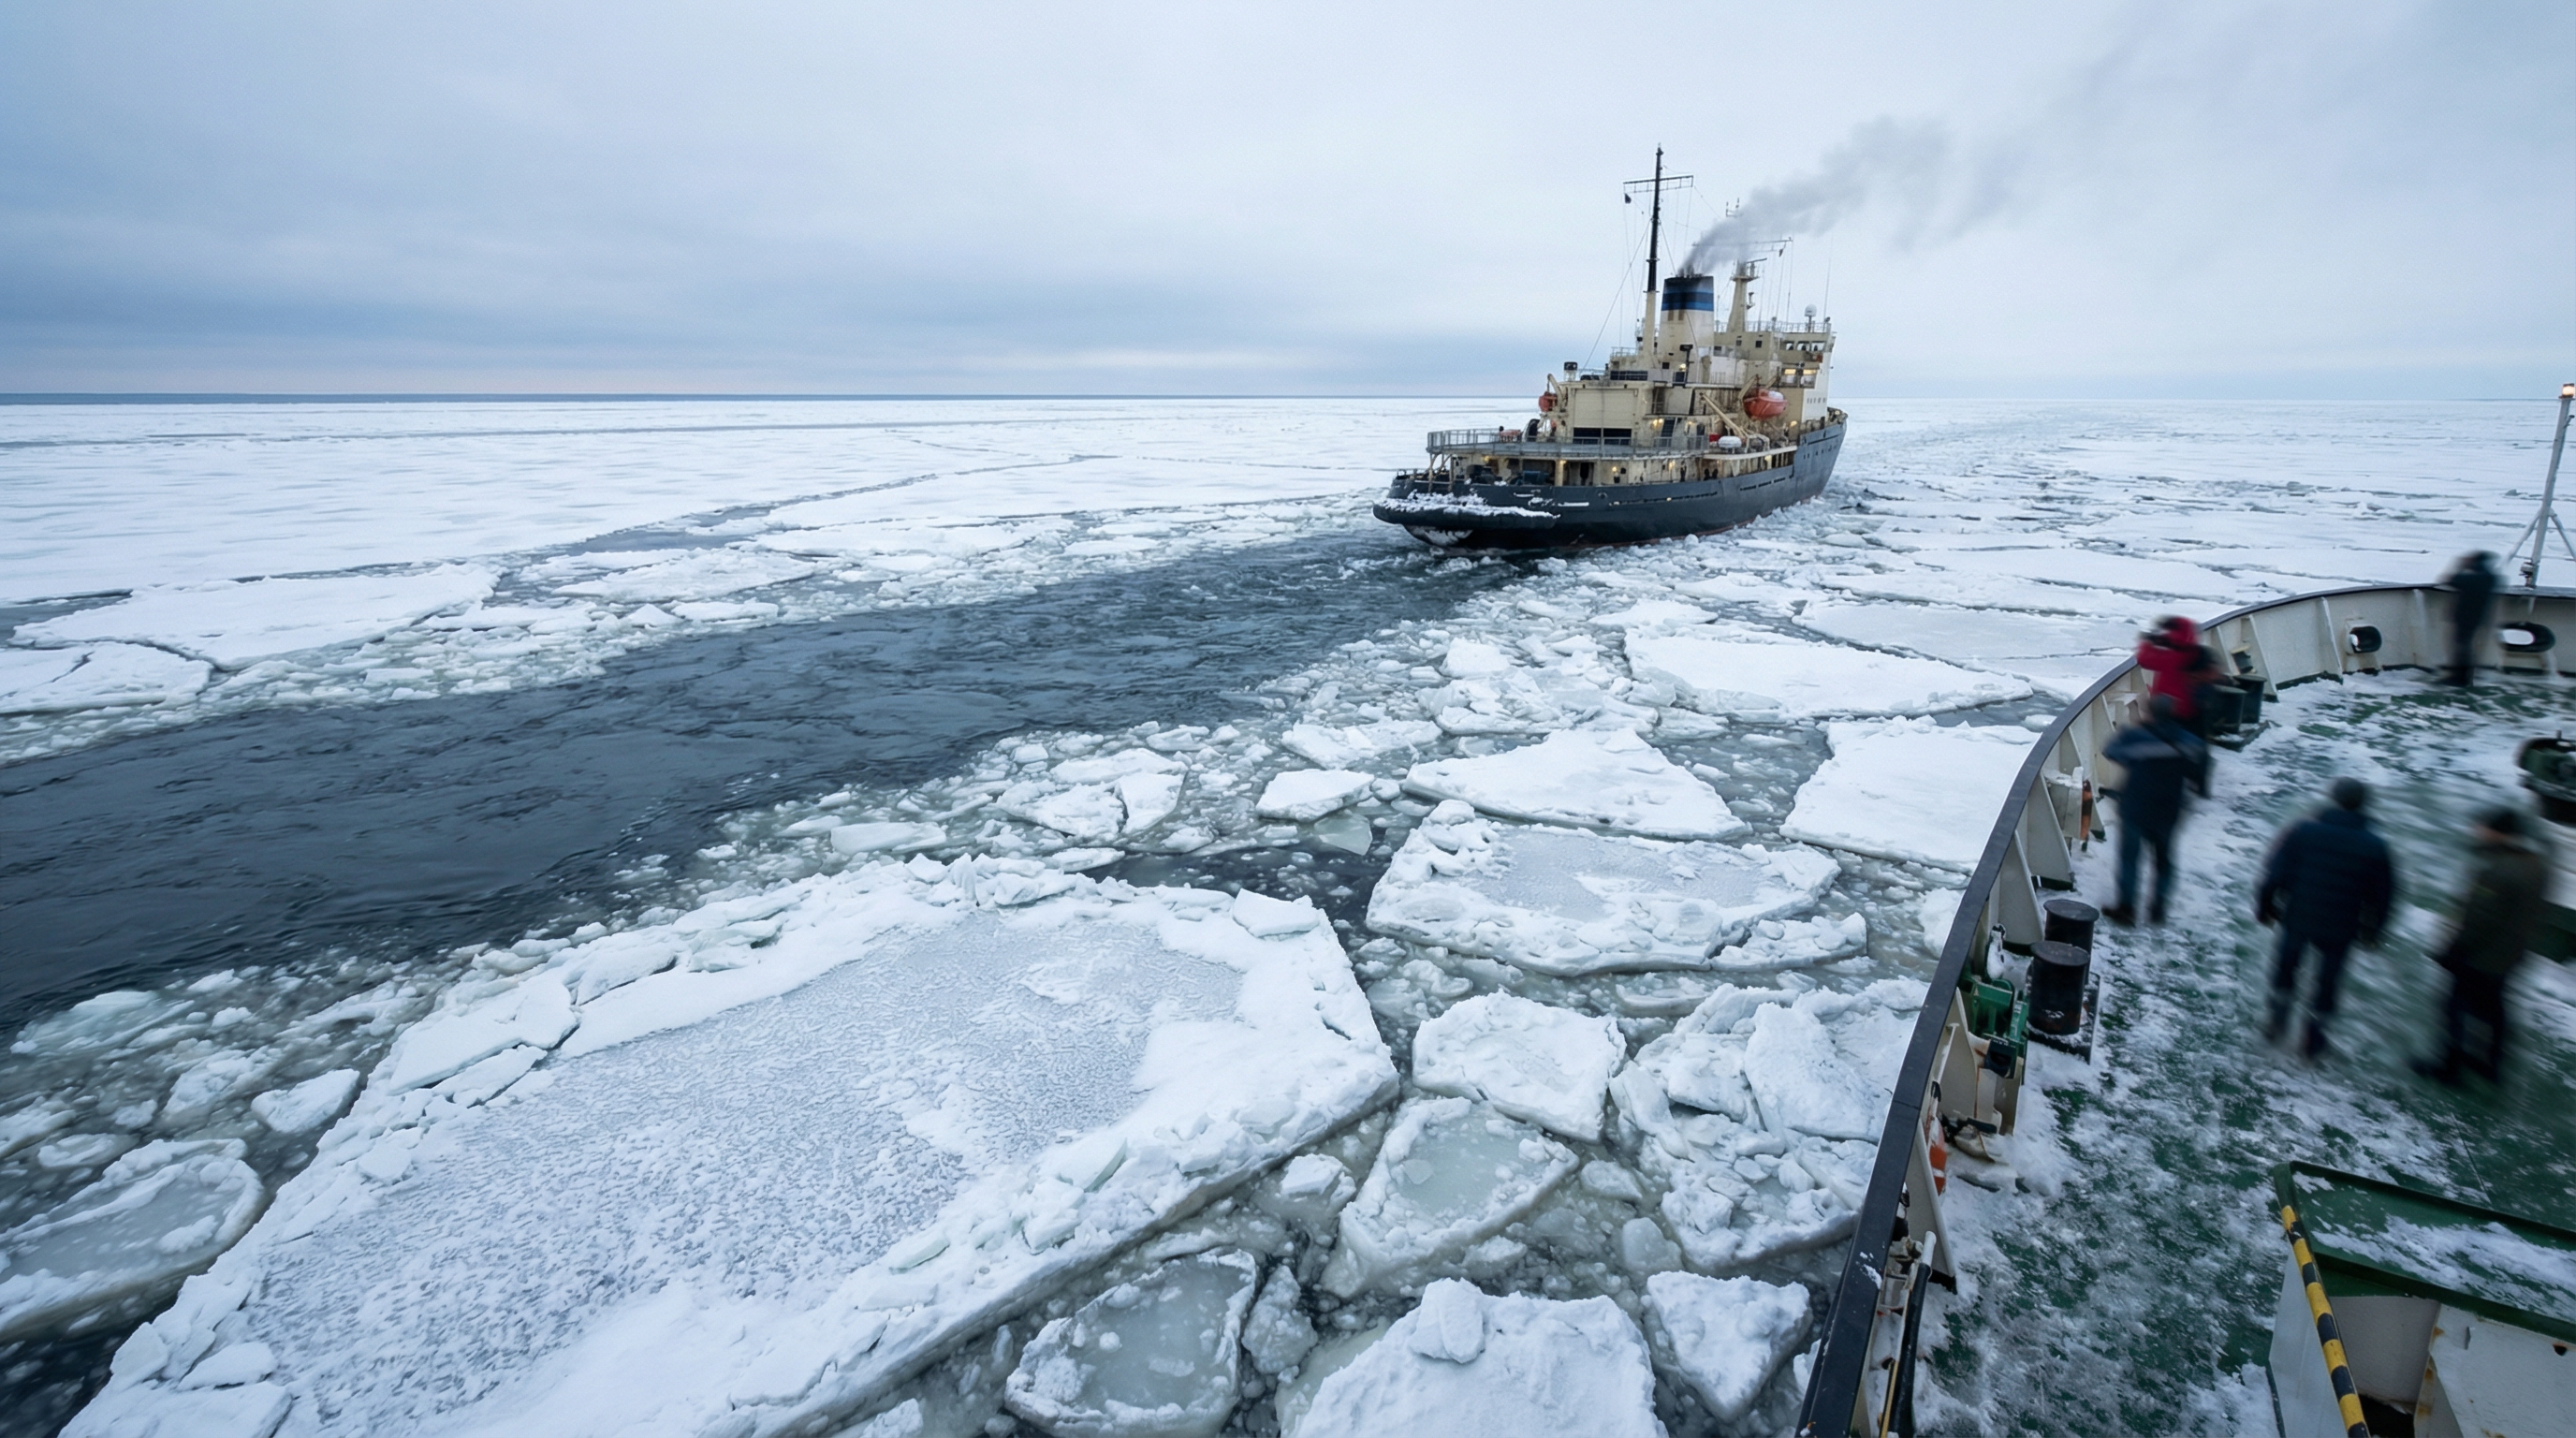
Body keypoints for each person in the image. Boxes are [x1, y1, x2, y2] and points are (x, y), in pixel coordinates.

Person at [2257, 778, 2395, 1059]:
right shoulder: (2375, 845)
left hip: (2299, 915)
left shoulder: (2303, 831)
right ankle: (2314, 1039)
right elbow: (2383, 896)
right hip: (2342, 924)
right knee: (2328, 980)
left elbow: (2274, 874)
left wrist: (2266, 907)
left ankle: (2277, 1019)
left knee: (2287, 966)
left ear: (2333, 798)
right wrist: (2372, 932)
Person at [2413, 807, 2553, 1083]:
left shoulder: (2498, 870)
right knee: (2494, 1008)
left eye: (2483, 826)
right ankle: (2491, 1065)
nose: (2477, 830)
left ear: (2497, 832)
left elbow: (2479, 918)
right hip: (2510, 953)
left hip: (2481, 957)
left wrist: (2453, 949)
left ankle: (2449, 1067)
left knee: (2454, 1006)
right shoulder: (2535, 865)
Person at [2100, 694, 2210, 927]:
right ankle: (2158, 909)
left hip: (2135, 809)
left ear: (2149, 713)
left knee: (2130, 860)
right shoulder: (2187, 741)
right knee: (2164, 862)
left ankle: (2126, 909)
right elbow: (2200, 764)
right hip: (2168, 811)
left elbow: (2111, 751)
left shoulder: (2135, 737)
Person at [2134, 616, 2226, 736]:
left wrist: (2148, 642)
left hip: (2171, 712)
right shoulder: (2199, 654)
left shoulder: (2171, 658)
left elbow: (2143, 659)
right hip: (2194, 713)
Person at [2439, 551, 2498, 686]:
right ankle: (2464, 677)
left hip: (2466, 617)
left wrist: (2461, 566)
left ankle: (2460, 678)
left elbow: (2451, 580)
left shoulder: (2475, 578)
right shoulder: (2490, 577)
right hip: (2477, 617)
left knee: (2462, 648)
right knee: (2466, 647)